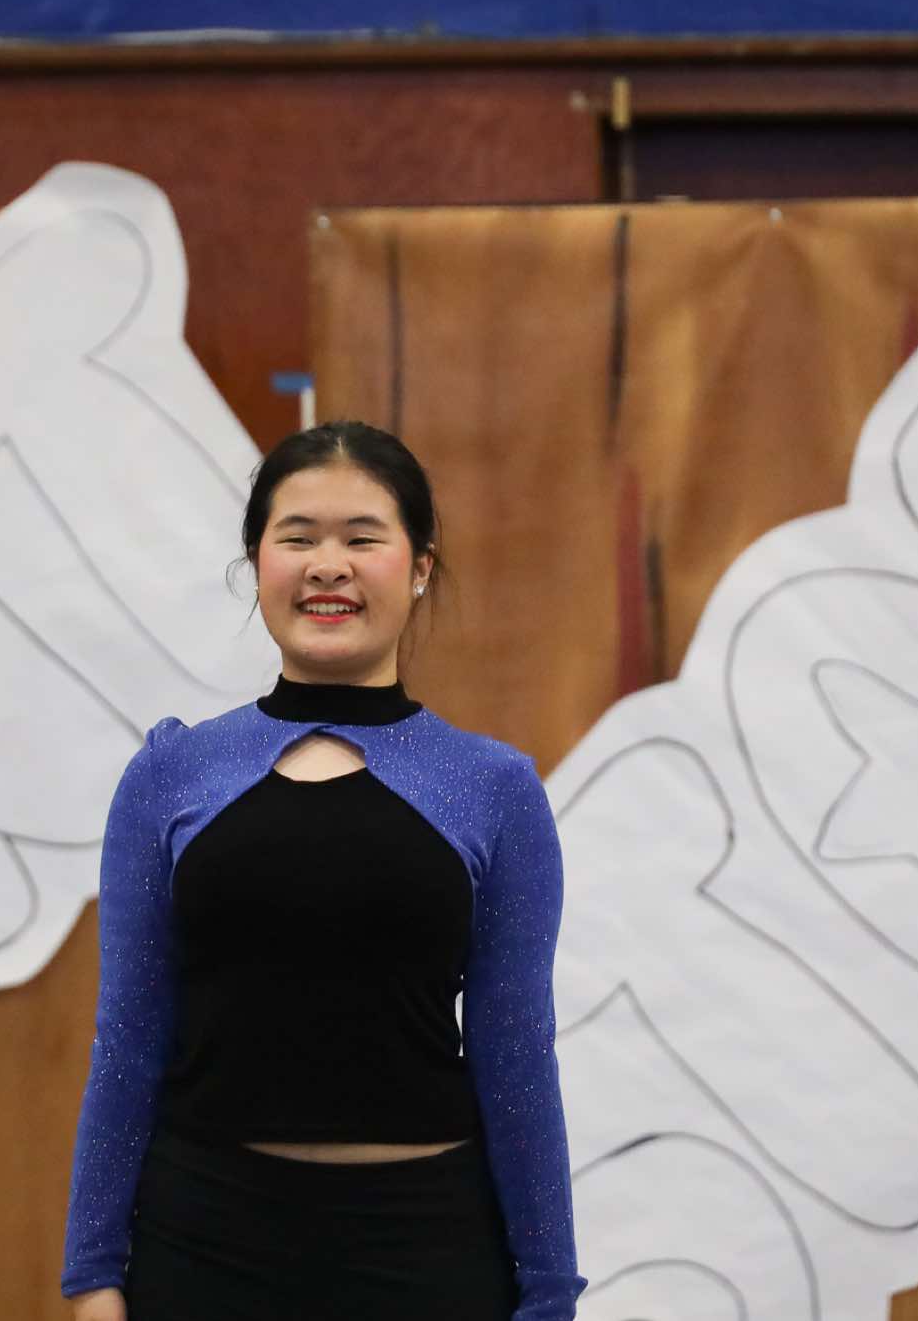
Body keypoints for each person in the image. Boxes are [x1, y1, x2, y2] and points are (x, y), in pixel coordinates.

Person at [59, 421, 586, 1321]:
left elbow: (517, 1057)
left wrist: (548, 1294)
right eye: (298, 537)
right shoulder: (170, 775)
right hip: (202, 1242)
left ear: (420, 566)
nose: (328, 566)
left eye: (362, 539)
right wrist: (93, 1276)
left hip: (427, 1250)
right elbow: (128, 1038)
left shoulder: (495, 788)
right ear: (256, 562)